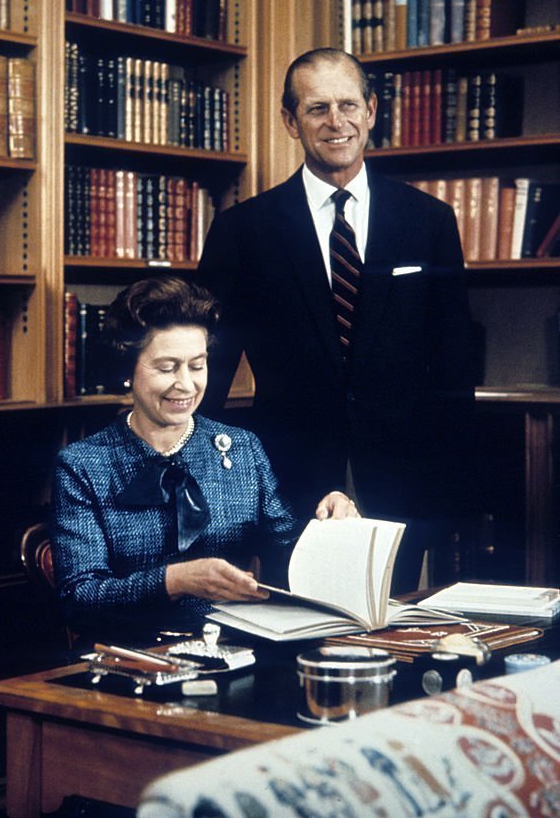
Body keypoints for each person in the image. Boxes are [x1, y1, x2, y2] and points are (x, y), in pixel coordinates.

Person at [198, 48, 475, 591]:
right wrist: (203, 477)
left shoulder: (428, 221)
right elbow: (210, 361)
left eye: (348, 105)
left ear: (371, 111)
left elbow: (453, 364)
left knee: (395, 632)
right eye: (317, 108)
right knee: (296, 629)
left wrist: (450, 486)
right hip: (289, 476)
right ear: (290, 121)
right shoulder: (243, 230)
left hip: (404, 477)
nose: (336, 122)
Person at [51, 275, 358, 640]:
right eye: (167, 368)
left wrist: (332, 525)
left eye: (197, 366)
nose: (186, 384)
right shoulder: (84, 465)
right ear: (127, 370)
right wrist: (175, 581)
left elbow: (288, 554)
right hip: (131, 661)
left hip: (233, 652)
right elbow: (79, 599)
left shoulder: (241, 448)